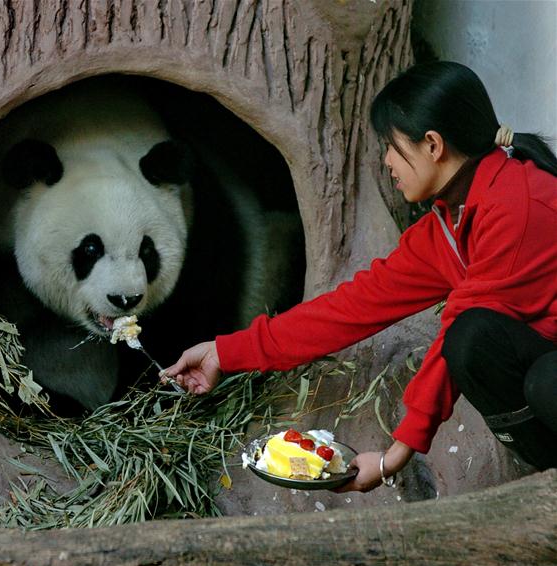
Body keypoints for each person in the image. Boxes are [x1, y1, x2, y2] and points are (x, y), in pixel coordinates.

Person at [163, 61, 557, 492]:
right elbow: (350, 307)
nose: (387, 162)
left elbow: (460, 328)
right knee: (487, 349)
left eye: (390, 146)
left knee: (499, 355)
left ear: (432, 145)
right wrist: (227, 352)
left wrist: (395, 455)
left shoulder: (518, 205)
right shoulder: (450, 225)